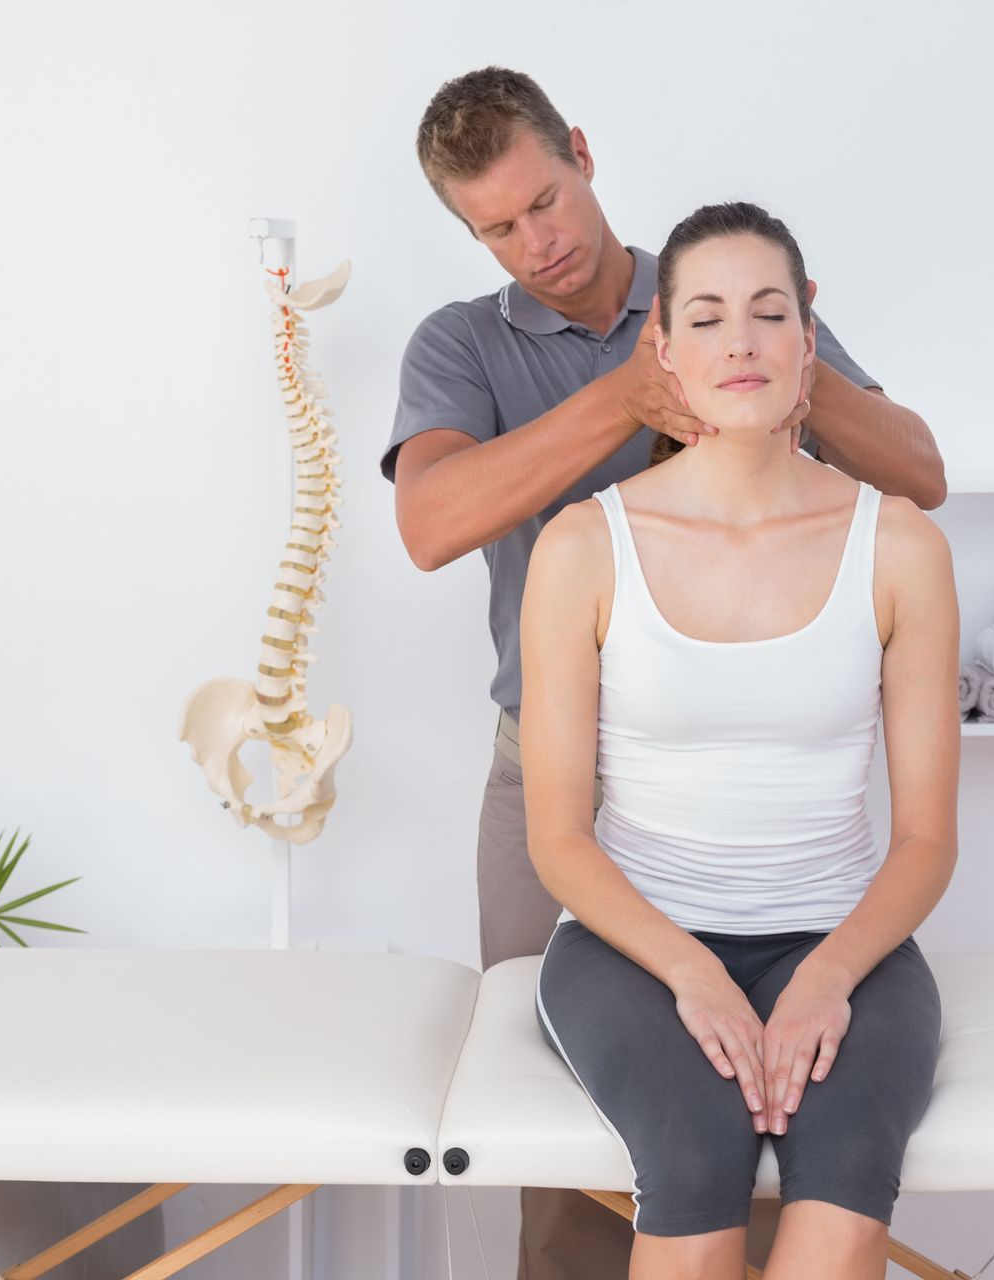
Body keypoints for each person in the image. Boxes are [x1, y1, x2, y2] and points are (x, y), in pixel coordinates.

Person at [384, 66, 947, 1278]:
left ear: (582, 153)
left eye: (544, 202)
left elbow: (915, 467)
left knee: (774, 1142)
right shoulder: (465, 346)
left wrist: (744, 346)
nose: (534, 242)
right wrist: (628, 393)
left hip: (780, 792)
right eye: (496, 228)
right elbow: (431, 524)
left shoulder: (721, 288)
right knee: (584, 1159)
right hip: (560, 782)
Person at [519, 203, 960, 1280]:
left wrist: (826, 975)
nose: (742, 342)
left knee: (850, 1155)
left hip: (845, 939)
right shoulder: (586, 545)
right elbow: (559, 838)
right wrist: (694, 972)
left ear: (810, 337)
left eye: (769, 312)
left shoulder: (899, 544)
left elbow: (926, 839)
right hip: (634, 946)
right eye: (708, 317)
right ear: (662, 349)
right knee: (694, 1148)